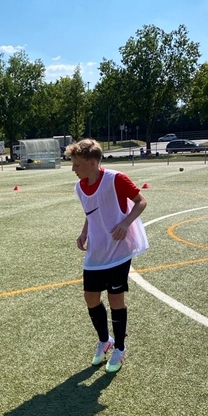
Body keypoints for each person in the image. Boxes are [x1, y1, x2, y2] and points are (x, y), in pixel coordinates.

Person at [66, 138, 149, 373]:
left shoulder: (116, 179)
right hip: (97, 251)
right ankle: (105, 340)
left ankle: (120, 348)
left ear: (92, 162)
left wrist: (125, 223)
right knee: (90, 298)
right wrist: (84, 232)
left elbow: (141, 202)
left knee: (115, 300)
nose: (73, 169)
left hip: (119, 250)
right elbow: (91, 212)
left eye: (77, 164)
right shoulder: (80, 187)